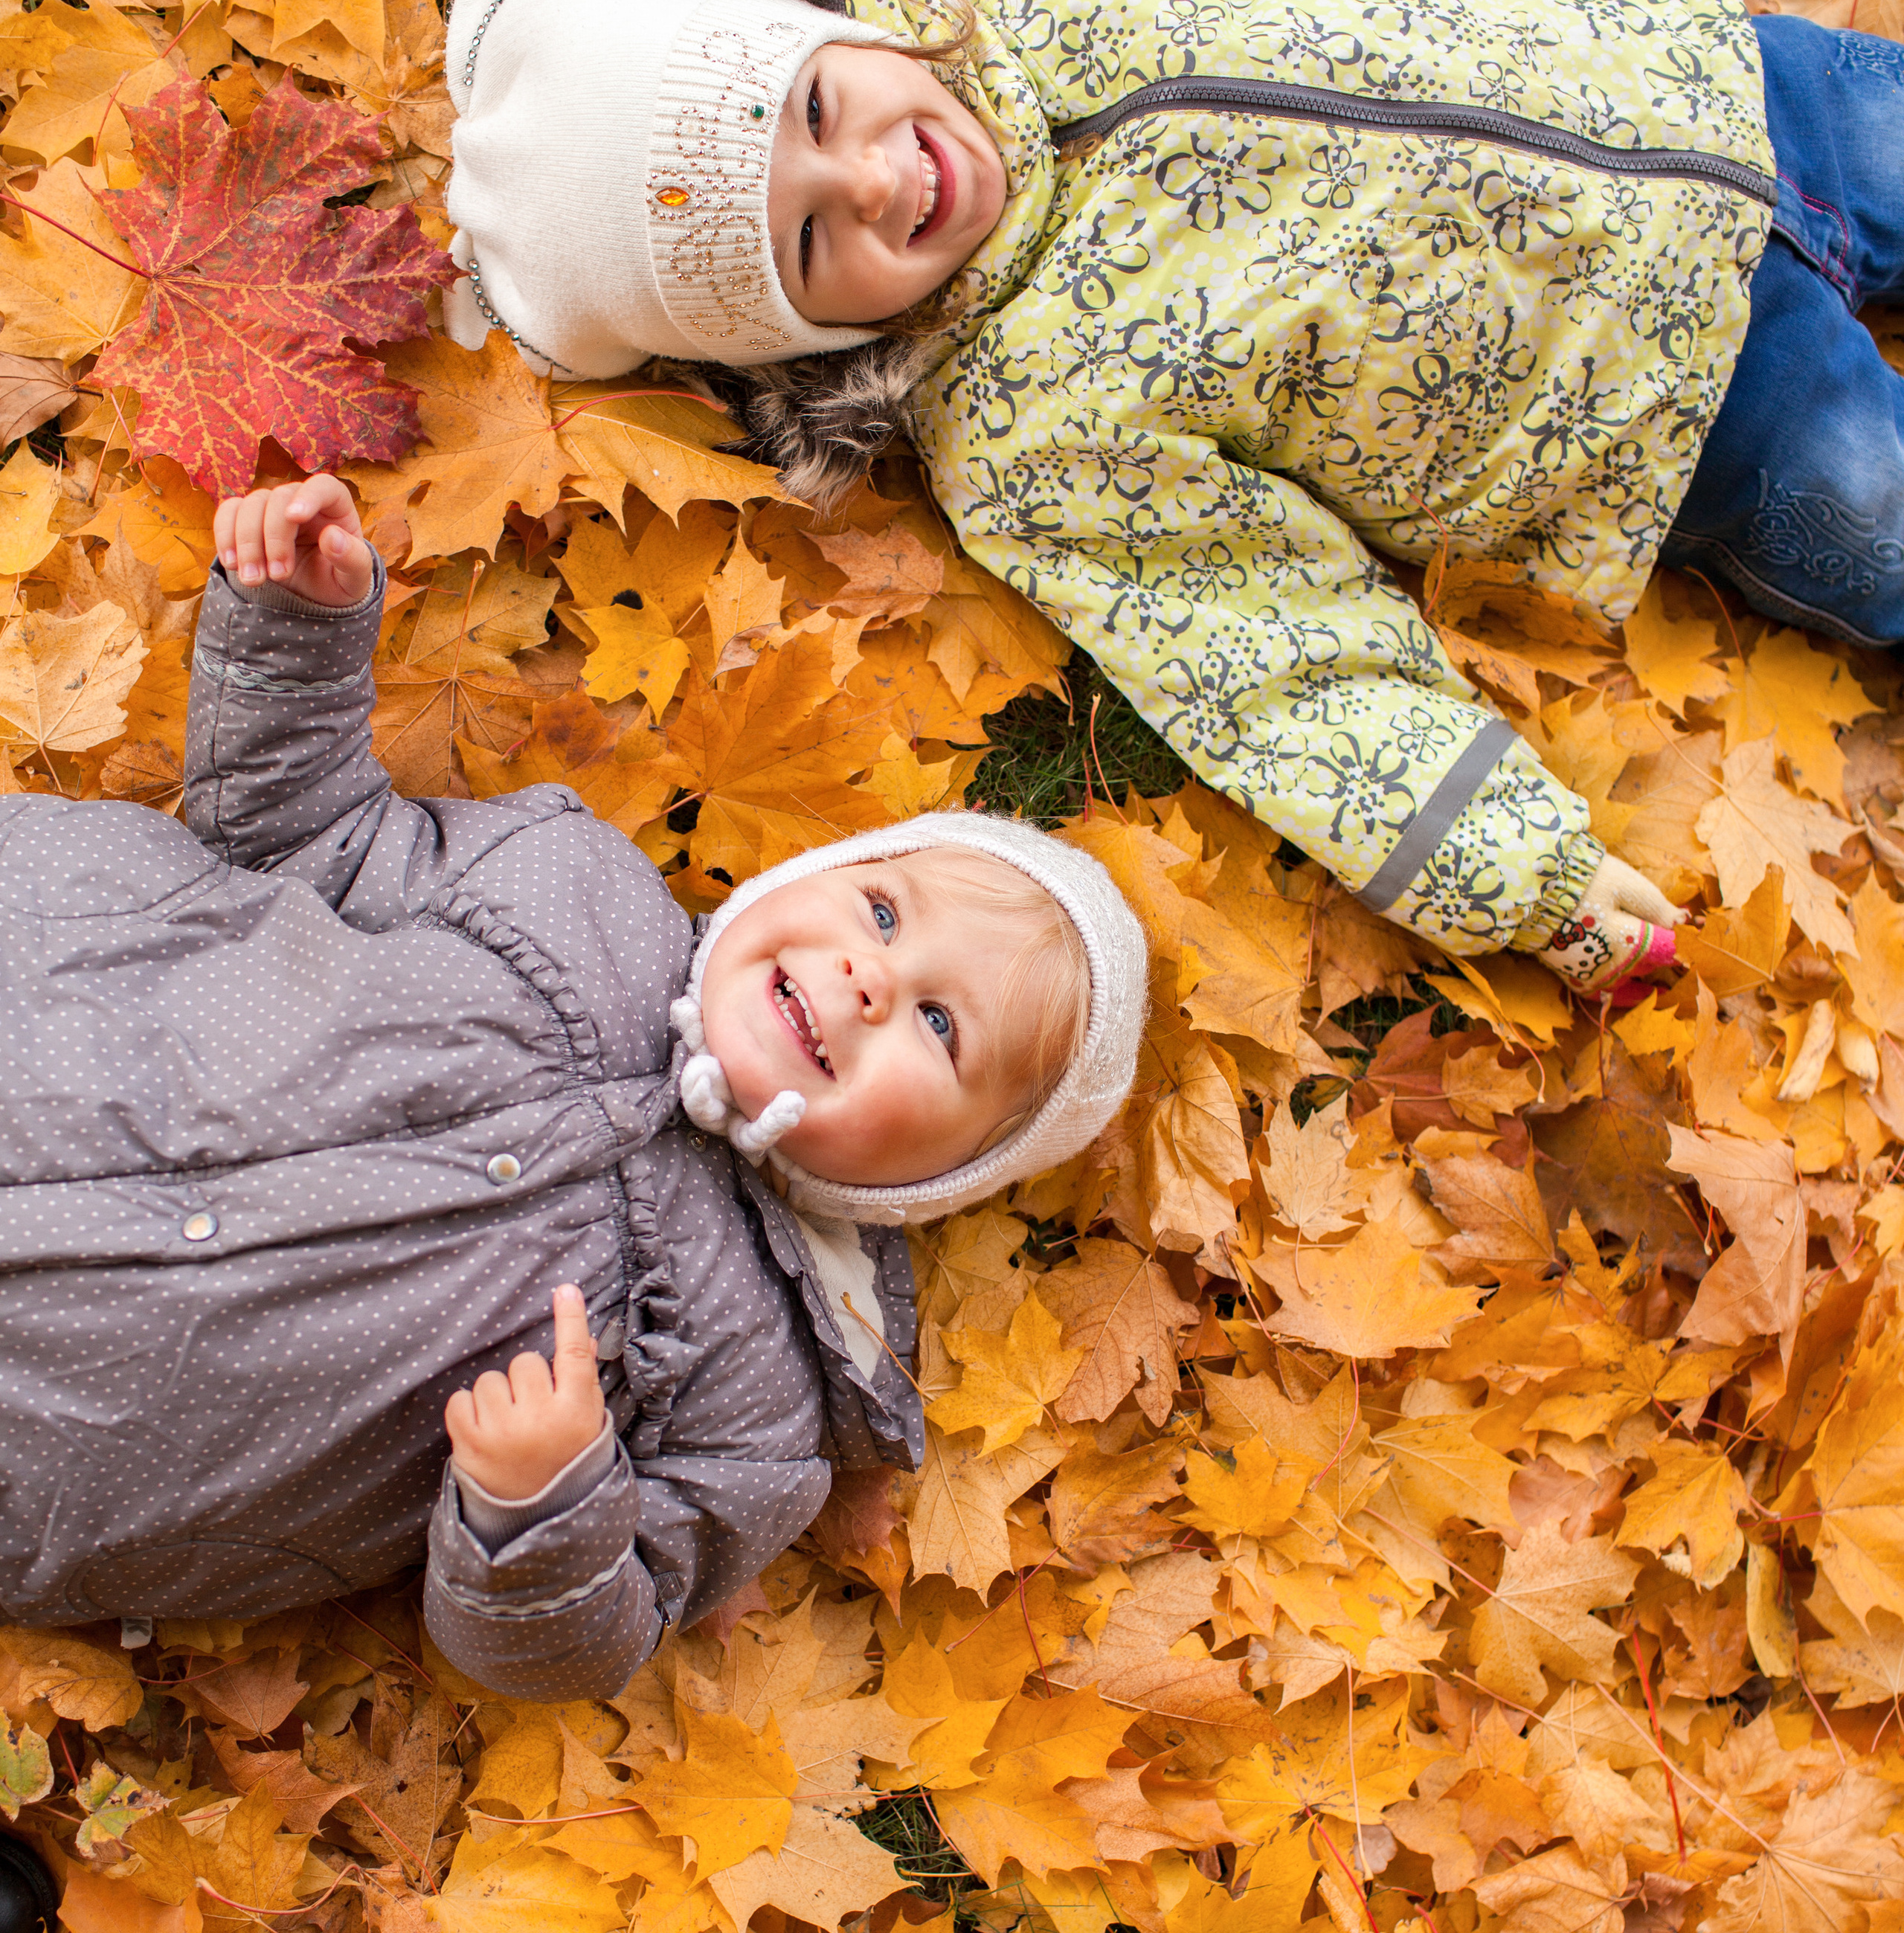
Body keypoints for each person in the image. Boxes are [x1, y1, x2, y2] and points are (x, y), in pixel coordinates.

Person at [442, 0, 1883, 1000]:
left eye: (818, 110)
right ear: (796, 338)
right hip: (1674, 413)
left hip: (1708, 81)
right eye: (812, 241)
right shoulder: (1025, 441)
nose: (875, 180)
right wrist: (1515, 871)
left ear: (817, 22)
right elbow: (1268, 655)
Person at [0, 477, 1146, 1704]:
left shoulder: (759, 1395)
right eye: (881, 910)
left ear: (943, 1176)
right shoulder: (570, 889)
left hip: (62, 1439)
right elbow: (306, 834)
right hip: (60, 1009)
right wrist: (301, 629)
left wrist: (543, 1510)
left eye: (939, 1023)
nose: (871, 978)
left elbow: (591, 1637)